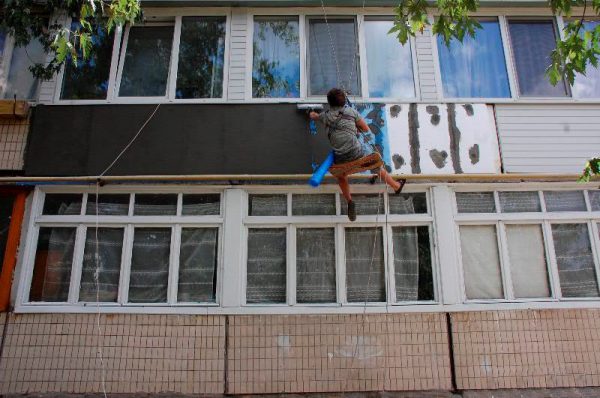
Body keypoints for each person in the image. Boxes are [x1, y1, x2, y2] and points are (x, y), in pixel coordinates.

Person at [310, 88, 405, 221]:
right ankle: (396, 186)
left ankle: (349, 201)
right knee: (375, 164)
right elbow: (366, 129)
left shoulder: (325, 116)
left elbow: (314, 116)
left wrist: (312, 114)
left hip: (340, 158)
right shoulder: (351, 111)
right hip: (357, 153)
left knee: (341, 177)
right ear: (343, 102)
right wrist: (354, 128)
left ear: (329, 103)